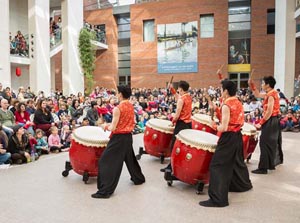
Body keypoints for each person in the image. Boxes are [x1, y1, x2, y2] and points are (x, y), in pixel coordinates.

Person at [199, 79, 252, 208]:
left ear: (226, 91)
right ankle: (242, 185)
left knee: (217, 166)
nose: (221, 91)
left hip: (228, 138)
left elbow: (223, 126)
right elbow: (230, 118)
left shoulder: (226, 105)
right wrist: (211, 103)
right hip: (237, 136)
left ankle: (218, 199)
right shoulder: (237, 101)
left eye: (222, 89)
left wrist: (214, 125)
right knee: (236, 163)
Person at [91, 85, 145, 199]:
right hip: (128, 137)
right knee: (130, 159)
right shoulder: (131, 106)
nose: (116, 95)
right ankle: (138, 178)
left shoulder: (118, 108)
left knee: (105, 161)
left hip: (119, 139)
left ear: (120, 94)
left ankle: (105, 190)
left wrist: (104, 126)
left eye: (117, 93)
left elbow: (114, 127)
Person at [248, 76, 282, 174]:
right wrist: (251, 84)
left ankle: (263, 168)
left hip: (271, 120)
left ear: (268, 85)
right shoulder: (270, 93)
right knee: (268, 143)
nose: (262, 85)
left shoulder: (271, 95)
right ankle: (268, 165)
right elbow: (257, 94)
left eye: (263, 83)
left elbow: (269, 112)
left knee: (264, 143)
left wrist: (260, 123)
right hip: (272, 121)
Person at [160, 80, 192, 172]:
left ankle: (171, 167)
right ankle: (181, 165)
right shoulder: (189, 97)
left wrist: (172, 121)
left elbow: (177, 115)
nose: (178, 90)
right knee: (184, 147)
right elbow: (178, 96)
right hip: (189, 124)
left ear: (181, 89)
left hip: (181, 125)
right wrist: (172, 89)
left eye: (178, 88)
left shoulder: (181, 99)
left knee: (175, 146)